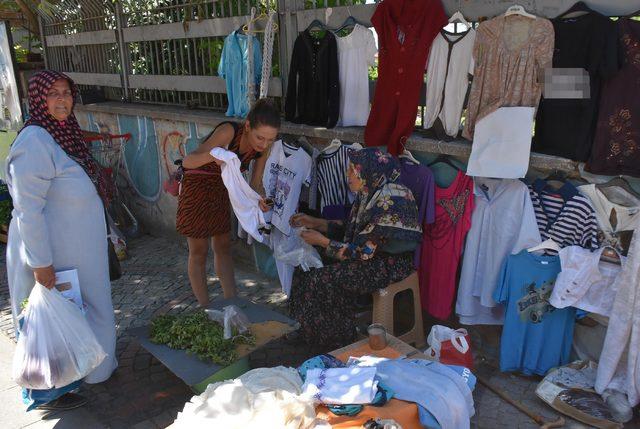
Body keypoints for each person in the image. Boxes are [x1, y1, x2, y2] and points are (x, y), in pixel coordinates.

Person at [5, 70, 117, 410]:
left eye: (67, 92)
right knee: (57, 318)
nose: (62, 99)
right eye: (53, 93)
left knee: (87, 309)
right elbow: (27, 209)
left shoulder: (61, 133)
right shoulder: (35, 140)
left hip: (79, 251)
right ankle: (55, 385)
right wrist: (41, 264)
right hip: (54, 256)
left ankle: (92, 370)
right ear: (38, 99)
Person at [289, 148, 423, 348]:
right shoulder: (369, 192)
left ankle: (334, 341)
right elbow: (352, 230)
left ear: (369, 171)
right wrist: (316, 222)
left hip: (389, 264)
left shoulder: (392, 199)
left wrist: (322, 241)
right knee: (305, 269)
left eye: (353, 171)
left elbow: (363, 253)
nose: (348, 176)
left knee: (324, 279)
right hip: (369, 258)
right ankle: (308, 331)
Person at [177, 99, 280, 306]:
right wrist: (213, 156)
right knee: (198, 251)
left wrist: (259, 201)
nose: (264, 144)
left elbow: (255, 184)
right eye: (260, 137)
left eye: (270, 140)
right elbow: (188, 162)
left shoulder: (262, 148)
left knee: (223, 246)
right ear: (248, 126)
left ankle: (232, 302)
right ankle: (205, 308)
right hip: (197, 186)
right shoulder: (229, 131)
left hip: (223, 189)